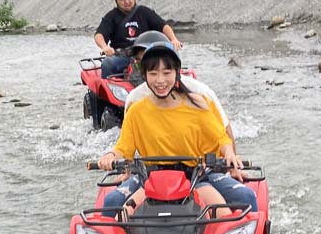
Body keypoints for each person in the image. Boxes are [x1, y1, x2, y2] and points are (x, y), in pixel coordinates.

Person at [97, 41, 249, 216]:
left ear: (177, 73)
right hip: (152, 180)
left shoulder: (198, 103)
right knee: (119, 218)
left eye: (166, 73)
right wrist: (110, 156)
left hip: (193, 178)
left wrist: (229, 153)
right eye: (153, 73)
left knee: (225, 216)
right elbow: (124, 148)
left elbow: (221, 138)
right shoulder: (136, 110)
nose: (160, 80)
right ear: (144, 75)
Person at [93, 0, 181, 78]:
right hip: (124, 56)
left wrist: (173, 39)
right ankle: (108, 90)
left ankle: (176, 85)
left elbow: (163, 26)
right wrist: (105, 47)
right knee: (108, 64)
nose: (126, 1)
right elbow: (99, 34)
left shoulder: (144, 12)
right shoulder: (111, 16)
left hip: (147, 54)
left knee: (173, 58)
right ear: (116, 0)